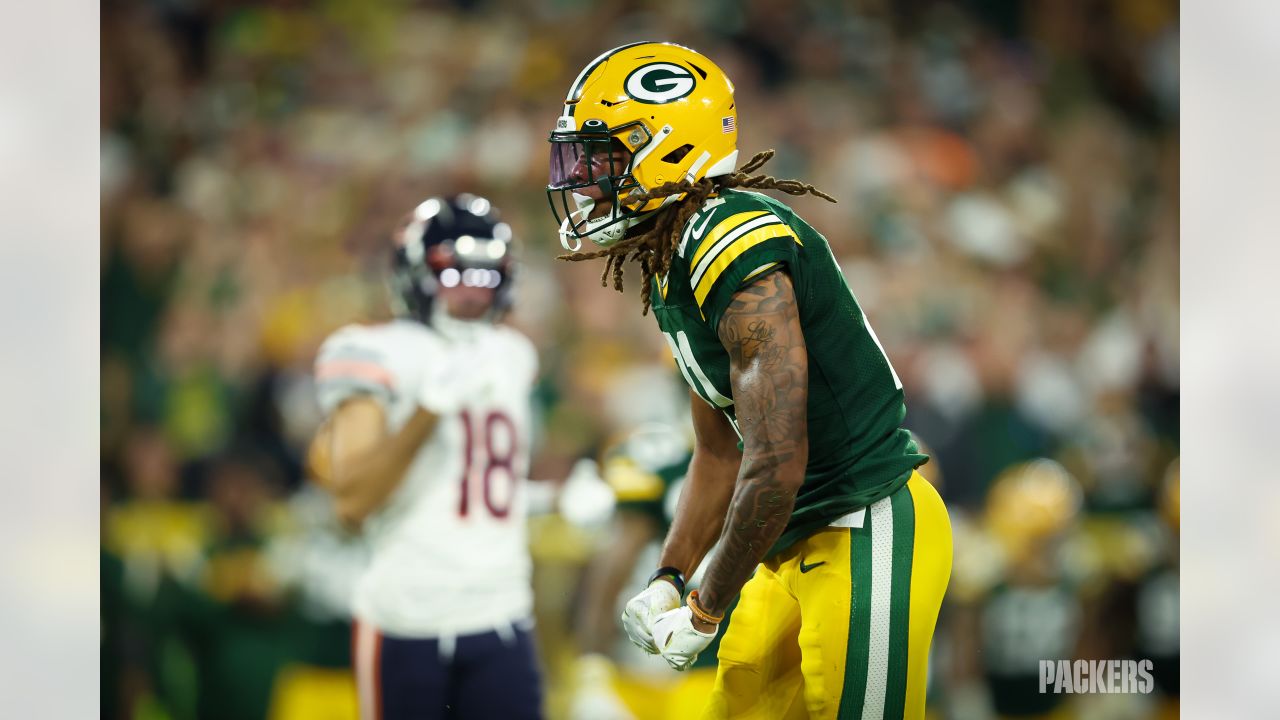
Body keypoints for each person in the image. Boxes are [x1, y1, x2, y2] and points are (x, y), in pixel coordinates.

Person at [547, 42, 953, 719]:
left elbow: (776, 462)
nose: (587, 180)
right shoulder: (676, 256)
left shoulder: (730, 239)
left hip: (863, 520)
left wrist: (706, 606)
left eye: (605, 156)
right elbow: (719, 451)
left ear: (670, 148)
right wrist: (671, 575)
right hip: (790, 540)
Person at [311, 195, 542, 720]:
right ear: (416, 274)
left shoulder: (513, 355)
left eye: (483, 278)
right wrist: (426, 411)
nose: (470, 295)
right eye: (455, 276)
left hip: (503, 611)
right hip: (406, 618)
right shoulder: (378, 352)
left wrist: (551, 498)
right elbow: (352, 503)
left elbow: (471, 484)